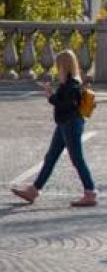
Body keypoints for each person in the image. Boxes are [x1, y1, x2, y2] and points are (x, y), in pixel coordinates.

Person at [11, 50, 97, 207]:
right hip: (65, 124)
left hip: (70, 124)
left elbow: (67, 105)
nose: (57, 69)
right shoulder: (69, 83)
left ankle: (90, 192)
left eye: (59, 65)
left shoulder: (72, 84)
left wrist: (51, 96)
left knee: (77, 159)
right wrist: (51, 94)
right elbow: (63, 102)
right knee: (50, 157)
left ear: (64, 66)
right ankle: (34, 190)